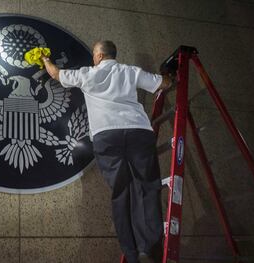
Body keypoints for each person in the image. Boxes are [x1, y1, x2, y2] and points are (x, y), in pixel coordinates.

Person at [40, 40, 173, 263]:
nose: (93, 58)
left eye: (94, 54)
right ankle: (147, 248)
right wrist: (171, 78)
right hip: (138, 132)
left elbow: (55, 74)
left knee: (121, 191)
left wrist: (44, 59)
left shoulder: (87, 74)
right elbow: (163, 84)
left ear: (100, 56)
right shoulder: (131, 71)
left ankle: (131, 254)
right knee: (147, 187)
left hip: (106, 135)